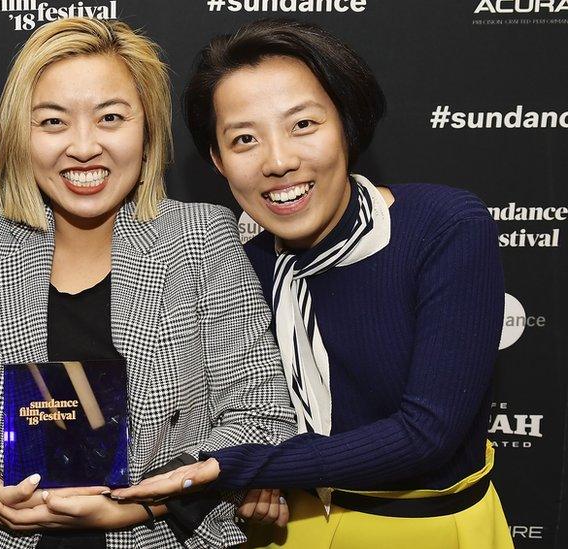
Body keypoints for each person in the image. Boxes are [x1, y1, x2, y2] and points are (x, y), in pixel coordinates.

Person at [110, 19, 514, 549]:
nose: (278, 161)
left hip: (427, 530)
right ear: (218, 160)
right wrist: (252, 470)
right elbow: (234, 408)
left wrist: (248, 467)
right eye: (244, 139)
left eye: (303, 125)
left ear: (345, 124)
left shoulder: (444, 227)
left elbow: (427, 434)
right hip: (276, 529)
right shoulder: (233, 260)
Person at [0, 17, 296, 549]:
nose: (84, 146)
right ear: (21, 133)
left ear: (147, 129)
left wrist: (141, 505)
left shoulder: (201, 237)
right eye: (53, 122)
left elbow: (260, 413)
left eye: (110, 117)